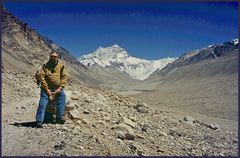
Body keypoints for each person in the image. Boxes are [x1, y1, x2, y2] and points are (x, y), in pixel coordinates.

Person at [36, 51, 68, 128]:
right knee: (42, 103)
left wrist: (60, 88)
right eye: (52, 56)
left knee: (62, 97)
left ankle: (59, 118)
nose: (53, 58)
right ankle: (39, 121)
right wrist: (47, 89)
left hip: (57, 89)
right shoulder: (45, 66)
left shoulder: (61, 67)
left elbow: (64, 77)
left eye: (55, 56)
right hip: (46, 89)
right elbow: (42, 77)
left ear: (57, 57)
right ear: (50, 57)